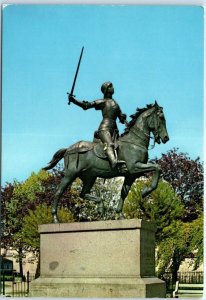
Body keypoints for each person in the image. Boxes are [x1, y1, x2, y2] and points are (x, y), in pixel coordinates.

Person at [69, 81, 127, 169]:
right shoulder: (102, 101)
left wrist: (123, 117)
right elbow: (86, 106)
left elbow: (122, 120)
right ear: (107, 89)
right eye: (111, 87)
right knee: (109, 144)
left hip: (114, 130)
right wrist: (74, 100)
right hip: (104, 128)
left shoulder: (116, 104)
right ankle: (114, 162)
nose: (113, 88)